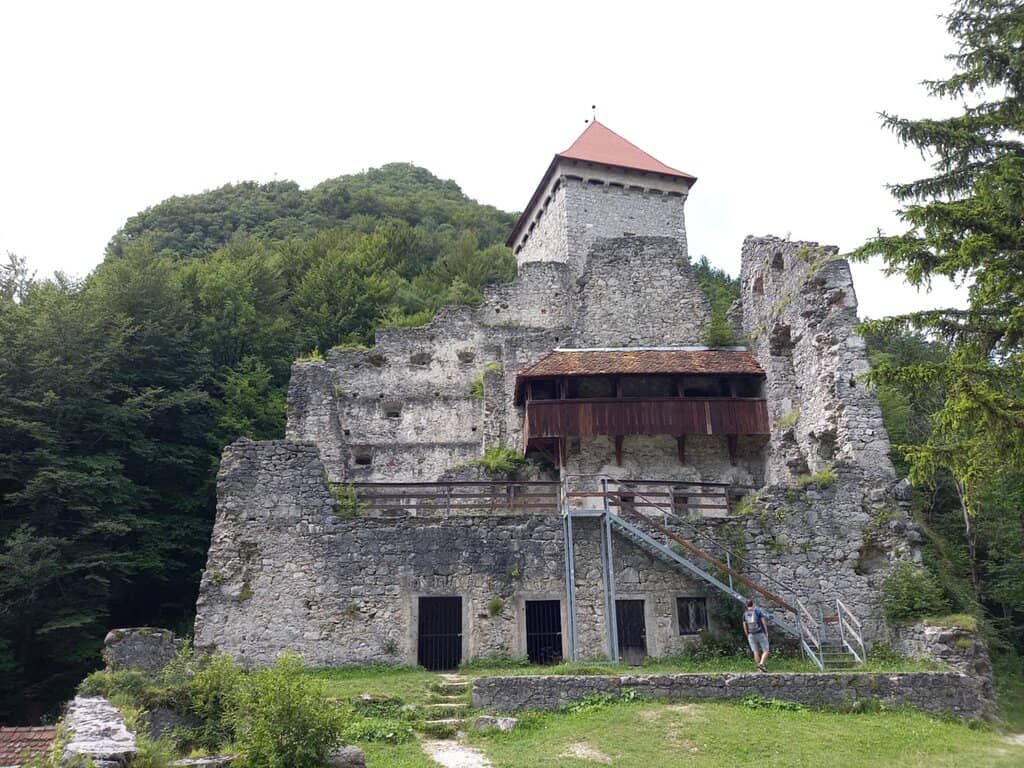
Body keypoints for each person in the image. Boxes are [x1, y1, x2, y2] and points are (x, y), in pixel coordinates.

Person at [742, 599, 770, 672]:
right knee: (766, 650)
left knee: (755, 652)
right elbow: (763, 623)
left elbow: (745, 626)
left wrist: (747, 635)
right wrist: (766, 632)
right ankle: (761, 664)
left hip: (751, 634)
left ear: (746, 605)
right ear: (753, 604)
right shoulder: (757, 611)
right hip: (760, 633)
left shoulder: (745, 614)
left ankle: (759, 669)